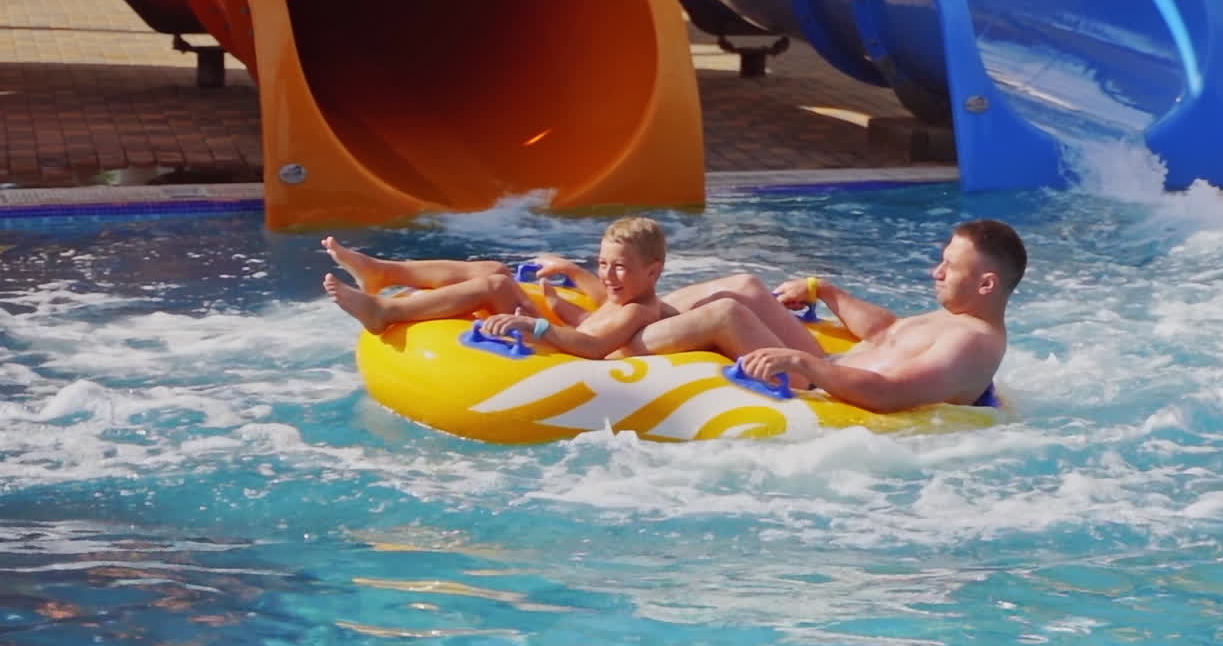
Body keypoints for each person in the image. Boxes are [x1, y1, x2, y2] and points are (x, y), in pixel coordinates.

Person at [629, 219, 1026, 412]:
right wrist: (825, 291)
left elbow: (889, 394)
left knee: (726, 314)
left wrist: (801, 363)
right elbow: (886, 332)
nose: (935, 273)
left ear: (987, 284)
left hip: (822, 389)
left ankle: (611, 344)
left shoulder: (972, 341)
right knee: (746, 285)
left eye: (949, 267)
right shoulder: (955, 318)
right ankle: (640, 307)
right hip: (829, 367)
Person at [323, 216, 672, 359]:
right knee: (493, 268)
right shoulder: (622, 296)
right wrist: (563, 285)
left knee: (493, 285)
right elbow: (592, 318)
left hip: (555, 354)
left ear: (653, 272)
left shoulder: (640, 310)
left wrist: (536, 323)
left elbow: (595, 346)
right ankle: (382, 272)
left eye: (620, 267)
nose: (608, 276)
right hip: (556, 334)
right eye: (603, 264)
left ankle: (385, 311)